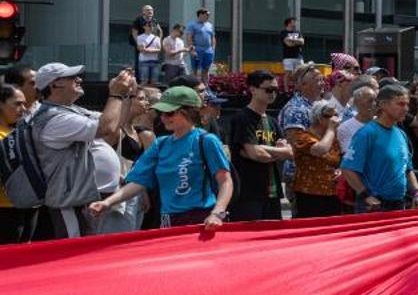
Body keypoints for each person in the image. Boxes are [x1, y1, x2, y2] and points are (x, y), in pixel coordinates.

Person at [8, 65, 136, 240]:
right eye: (71, 77)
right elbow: (106, 128)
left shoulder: (71, 111)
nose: (79, 79)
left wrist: (126, 95)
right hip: (69, 203)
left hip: (85, 200)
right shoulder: (53, 119)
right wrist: (115, 94)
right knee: (75, 255)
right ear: (54, 85)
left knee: (91, 255)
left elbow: (115, 123)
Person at [90, 85, 233, 228]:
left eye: (169, 113)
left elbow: (225, 181)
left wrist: (217, 213)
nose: (163, 118)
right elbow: (138, 182)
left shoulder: (206, 140)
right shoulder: (160, 144)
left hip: (202, 219)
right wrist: (107, 203)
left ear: (189, 112)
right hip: (167, 220)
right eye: (161, 112)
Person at [341, 82, 418, 213]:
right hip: (373, 206)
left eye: (407, 104)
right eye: (400, 104)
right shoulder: (367, 133)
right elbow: (348, 169)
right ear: (382, 104)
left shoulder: (400, 134)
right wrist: (366, 195)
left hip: (399, 204)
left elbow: (407, 169)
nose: (406, 109)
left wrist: (417, 193)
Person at [222, 69, 292, 221]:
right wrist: (277, 152)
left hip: (273, 193)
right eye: (268, 89)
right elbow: (256, 154)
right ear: (252, 89)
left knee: (273, 240)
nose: (273, 94)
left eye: (275, 90)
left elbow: (289, 153)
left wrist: (263, 150)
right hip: (248, 193)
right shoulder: (242, 118)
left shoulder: (272, 121)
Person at [285, 98, 345, 218]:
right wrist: (331, 130)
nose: (335, 120)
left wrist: (341, 170)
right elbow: (320, 149)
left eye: (336, 116)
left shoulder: (333, 138)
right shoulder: (303, 137)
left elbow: (339, 159)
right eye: (330, 116)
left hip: (332, 193)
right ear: (319, 118)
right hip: (309, 194)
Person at [0, 82, 26, 243]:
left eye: (24, 104)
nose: (23, 109)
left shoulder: (16, 132)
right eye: (17, 104)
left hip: (23, 207)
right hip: (4, 211)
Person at [188, 8, 217, 78]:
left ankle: (205, 86)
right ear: (200, 15)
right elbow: (189, 37)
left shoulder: (210, 25)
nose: (208, 16)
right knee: (196, 69)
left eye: (208, 15)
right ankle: (195, 86)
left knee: (206, 69)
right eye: (206, 15)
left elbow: (213, 37)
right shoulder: (192, 24)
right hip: (197, 49)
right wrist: (192, 50)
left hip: (208, 50)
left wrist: (213, 49)